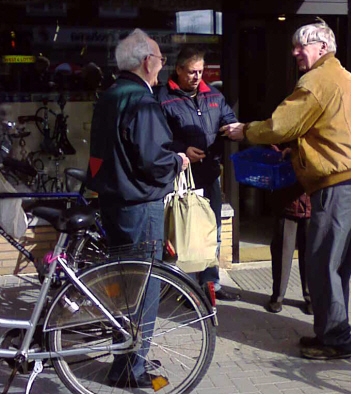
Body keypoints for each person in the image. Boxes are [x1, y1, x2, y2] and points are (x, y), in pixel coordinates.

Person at [221, 20, 351, 360]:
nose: (294, 52)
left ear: (322, 48)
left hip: (337, 187)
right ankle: (332, 331)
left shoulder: (317, 79)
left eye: (300, 46)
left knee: (322, 265)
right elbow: (332, 131)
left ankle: (336, 341)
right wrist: (300, 152)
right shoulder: (344, 77)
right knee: (337, 267)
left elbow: (281, 125)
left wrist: (245, 130)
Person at [86, 28, 189, 388]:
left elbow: (98, 157)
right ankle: (131, 368)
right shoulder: (141, 102)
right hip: (140, 205)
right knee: (143, 290)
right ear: (147, 62)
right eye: (161, 61)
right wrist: (177, 161)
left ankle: (126, 356)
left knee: (124, 288)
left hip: (113, 203)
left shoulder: (110, 95)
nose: (162, 68)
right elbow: (153, 160)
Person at [157, 45, 241, 301]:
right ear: (179, 70)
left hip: (208, 174)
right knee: (180, 231)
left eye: (201, 72)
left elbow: (228, 119)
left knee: (210, 230)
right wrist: (182, 150)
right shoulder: (163, 98)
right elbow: (158, 137)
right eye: (192, 72)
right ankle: (183, 285)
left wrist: (234, 127)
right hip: (179, 176)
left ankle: (210, 284)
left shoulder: (214, 95)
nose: (197, 77)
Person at [268, 171, 312, 315]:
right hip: (286, 202)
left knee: (310, 255)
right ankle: (278, 296)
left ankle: (311, 298)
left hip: (312, 204)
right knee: (282, 253)